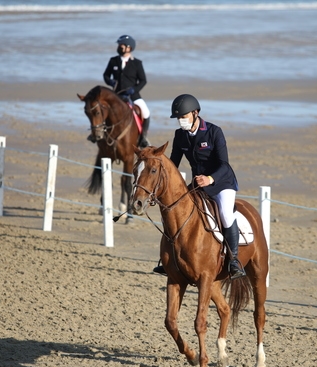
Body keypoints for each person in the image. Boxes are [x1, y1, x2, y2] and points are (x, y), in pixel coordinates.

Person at [153, 94, 247, 280]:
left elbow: (224, 164)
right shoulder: (180, 135)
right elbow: (173, 164)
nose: (181, 121)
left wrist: (210, 179)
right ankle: (168, 258)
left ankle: (234, 260)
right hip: (198, 184)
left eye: (183, 117)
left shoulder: (214, 132)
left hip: (221, 183)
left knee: (226, 213)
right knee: (174, 210)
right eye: (178, 118)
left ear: (195, 113)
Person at [103, 34, 150, 148]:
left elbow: (143, 80)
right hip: (116, 95)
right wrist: (111, 82)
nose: (119, 47)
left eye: (121, 45)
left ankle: (143, 137)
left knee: (146, 112)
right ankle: (101, 134)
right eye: (119, 45)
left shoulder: (137, 63)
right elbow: (106, 75)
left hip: (133, 96)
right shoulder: (113, 61)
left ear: (129, 47)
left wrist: (134, 90)